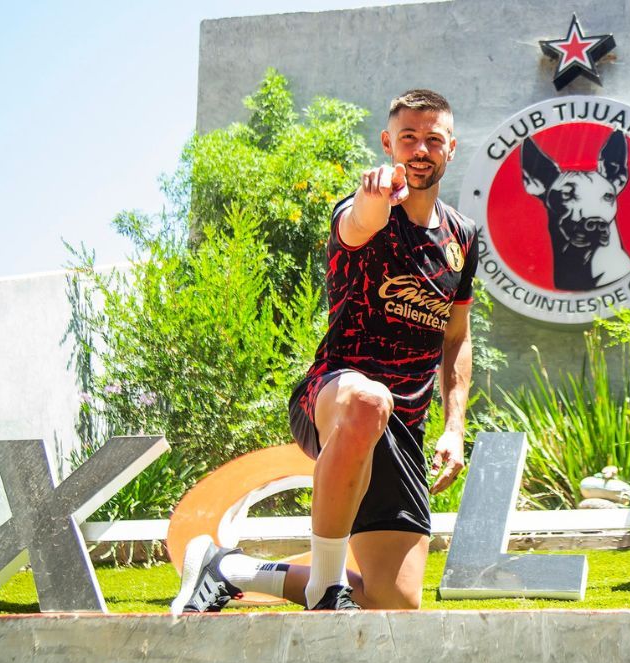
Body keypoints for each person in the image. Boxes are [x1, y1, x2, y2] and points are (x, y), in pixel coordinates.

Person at [171, 89, 476, 613]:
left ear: (451, 147)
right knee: (368, 401)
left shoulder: (462, 237)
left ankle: (229, 568)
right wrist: (374, 198)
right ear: (388, 143)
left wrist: (453, 426)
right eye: (408, 138)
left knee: (394, 605)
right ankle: (327, 588)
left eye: (432, 139)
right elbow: (359, 223)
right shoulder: (365, 209)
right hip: (335, 394)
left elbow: (456, 337)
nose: (420, 149)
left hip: (405, 429)